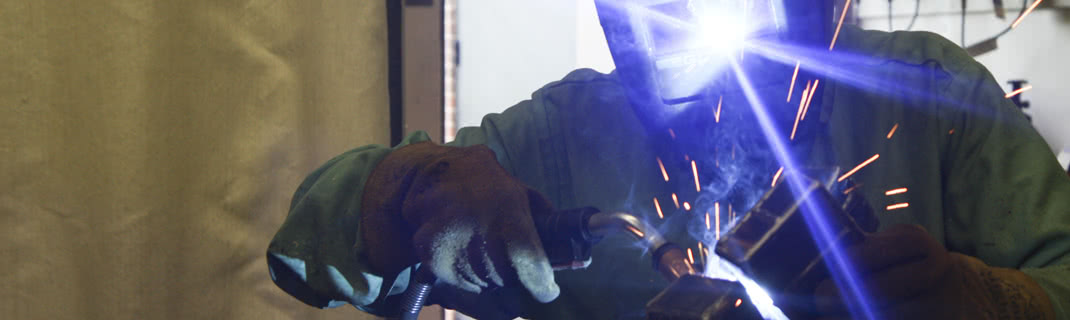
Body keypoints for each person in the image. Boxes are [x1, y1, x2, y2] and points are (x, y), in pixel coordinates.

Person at [266, 1, 1069, 319]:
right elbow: (309, 246)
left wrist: (983, 297)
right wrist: (409, 191)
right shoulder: (559, 136)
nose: (652, 37)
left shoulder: (923, 92)